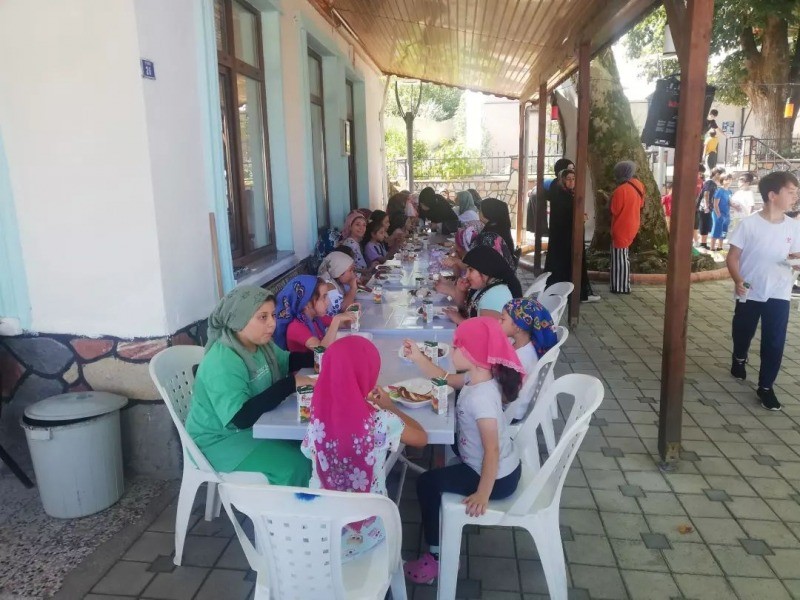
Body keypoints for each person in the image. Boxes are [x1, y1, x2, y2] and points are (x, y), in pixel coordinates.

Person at [403, 317, 524, 584]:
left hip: (495, 478)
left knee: (426, 483)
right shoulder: (476, 377)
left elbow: (491, 449)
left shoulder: (482, 398)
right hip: (493, 465)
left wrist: (482, 493)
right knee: (448, 452)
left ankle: (438, 555)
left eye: (457, 347)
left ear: (474, 356)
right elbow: (445, 379)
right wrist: (419, 357)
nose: (452, 350)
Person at [301, 336, 427, 561]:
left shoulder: (316, 420)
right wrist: (390, 407)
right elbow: (421, 438)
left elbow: (306, 450)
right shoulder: (380, 421)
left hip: (321, 532)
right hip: (369, 532)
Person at [185, 286, 314, 486]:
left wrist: (322, 357)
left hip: (254, 426)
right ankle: (287, 506)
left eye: (272, 315)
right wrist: (291, 383)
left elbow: (287, 361)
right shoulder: (222, 361)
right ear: (239, 320)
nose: (272, 323)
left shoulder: (261, 344)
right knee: (298, 464)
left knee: (312, 444)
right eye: (262, 317)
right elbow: (241, 418)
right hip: (220, 440)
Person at [727, 171, 800, 411]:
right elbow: (733, 257)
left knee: (775, 340)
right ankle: (739, 357)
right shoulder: (749, 225)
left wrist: (796, 262)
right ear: (772, 195)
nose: (795, 197)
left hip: (779, 291)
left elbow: (796, 256)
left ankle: (766, 387)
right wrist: (738, 280)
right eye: (791, 192)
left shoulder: (794, 226)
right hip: (749, 288)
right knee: (743, 330)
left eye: (796, 193)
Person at [545, 166, 600, 302]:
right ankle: (575, 294)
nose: (571, 182)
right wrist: (580, 217)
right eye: (568, 179)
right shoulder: (562, 196)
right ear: (562, 180)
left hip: (568, 236)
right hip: (566, 238)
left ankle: (569, 292)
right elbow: (565, 216)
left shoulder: (567, 194)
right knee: (568, 264)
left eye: (573, 179)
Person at [440, 245, 523, 323]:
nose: (466, 275)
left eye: (471, 270)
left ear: (485, 270)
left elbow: (487, 330)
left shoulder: (496, 294)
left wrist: (459, 320)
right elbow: (470, 312)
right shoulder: (485, 286)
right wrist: (460, 292)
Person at [274, 275, 355, 352]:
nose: (327, 302)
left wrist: (352, 313)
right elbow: (322, 351)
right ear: (307, 304)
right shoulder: (295, 327)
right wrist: (336, 320)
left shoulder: (316, 318)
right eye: (323, 297)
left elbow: (345, 324)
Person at [610, 161, 645, 294]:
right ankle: (620, 285)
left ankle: (621, 286)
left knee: (619, 258)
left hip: (621, 226)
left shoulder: (620, 190)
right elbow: (641, 204)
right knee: (623, 256)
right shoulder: (638, 185)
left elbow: (614, 210)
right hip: (633, 223)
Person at [318, 250, 359, 316]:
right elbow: (344, 309)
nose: (353, 273)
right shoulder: (329, 286)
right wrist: (353, 288)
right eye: (350, 270)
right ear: (339, 272)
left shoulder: (337, 281)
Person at [697, 167, 723, 249]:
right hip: (704, 207)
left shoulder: (713, 183)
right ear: (717, 174)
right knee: (704, 224)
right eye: (721, 174)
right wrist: (706, 206)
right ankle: (702, 243)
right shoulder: (710, 182)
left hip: (708, 207)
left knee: (706, 225)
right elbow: (706, 194)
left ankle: (704, 243)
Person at [711, 174, 733, 251]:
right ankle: (712, 247)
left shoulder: (730, 191)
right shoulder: (719, 191)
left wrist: (736, 206)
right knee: (716, 230)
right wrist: (719, 215)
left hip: (726, 214)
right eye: (726, 179)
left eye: (730, 179)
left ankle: (720, 247)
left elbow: (730, 202)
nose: (729, 181)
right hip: (718, 214)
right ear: (722, 181)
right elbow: (715, 204)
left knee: (724, 231)